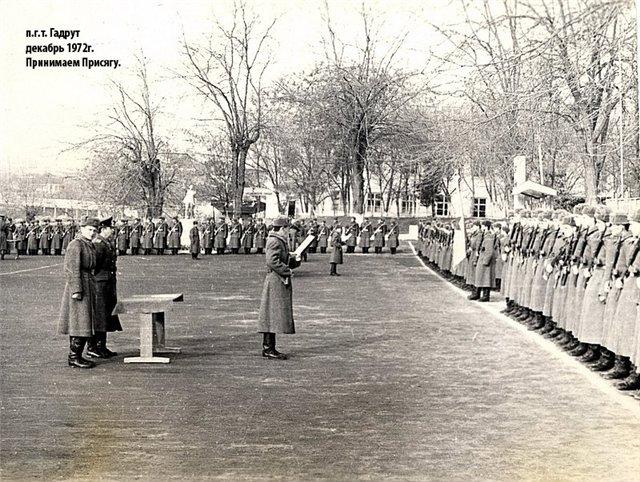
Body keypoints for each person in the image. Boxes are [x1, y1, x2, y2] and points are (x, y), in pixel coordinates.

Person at [57, 217, 99, 369]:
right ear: (81, 229)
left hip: (88, 283)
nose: (92, 232)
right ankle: (74, 357)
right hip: (80, 285)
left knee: (84, 320)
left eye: (95, 230)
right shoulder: (76, 245)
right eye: (89, 229)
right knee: (79, 321)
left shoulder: (88, 244)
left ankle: (77, 355)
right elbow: (71, 269)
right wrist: (76, 290)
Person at [257, 215, 301, 360]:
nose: (288, 232)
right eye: (287, 229)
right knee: (272, 315)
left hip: (277, 281)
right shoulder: (275, 241)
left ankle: (269, 347)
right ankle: (268, 348)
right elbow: (272, 261)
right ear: (282, 228)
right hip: (276, 281)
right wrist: (287, 270)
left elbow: (282, 259)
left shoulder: (277, 240)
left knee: (272, 315)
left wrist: (294, 260)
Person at [86, 217, 122, 359]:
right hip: (100, 284)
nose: (112, 231)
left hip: (106, 283)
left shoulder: (105, 243)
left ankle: (101, 346)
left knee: (105, 314)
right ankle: (93, 347)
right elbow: (94, 265)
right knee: (99, 315)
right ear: (104, 229)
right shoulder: (99, 244)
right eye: (110, 228)